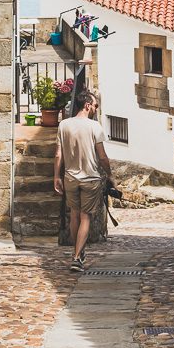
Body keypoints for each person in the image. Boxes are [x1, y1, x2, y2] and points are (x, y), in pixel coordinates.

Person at [53, 89, 113, 271]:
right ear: (87, 105)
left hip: (70, 177)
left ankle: (76, 251)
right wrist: (110, 175)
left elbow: (58, 154)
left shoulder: (63, 125)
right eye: (95, 106)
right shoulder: (95, 127)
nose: (96, 109)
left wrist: (56, 176)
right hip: (90, 178)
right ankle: (77, 257)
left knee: (74, 215)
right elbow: (102, 157)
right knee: (85, 217)